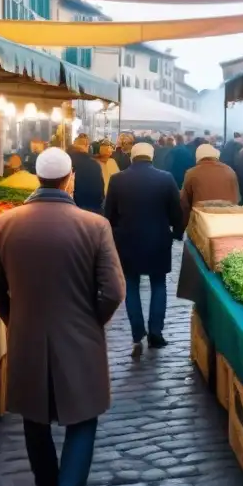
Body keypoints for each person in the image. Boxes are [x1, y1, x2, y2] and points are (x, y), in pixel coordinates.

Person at [0, 147, 125, 486]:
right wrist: (92, 320)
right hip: (80, 334)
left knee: (35, 417)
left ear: (36, 179)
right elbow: (114, 291)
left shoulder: (2, 225)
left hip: (26, 334)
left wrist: (17, 319)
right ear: (70, 181)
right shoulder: (94, 225)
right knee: (82, 419)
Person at [104, 142, 184, 358]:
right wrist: (176, 233)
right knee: (159, 284)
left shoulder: (117, 179)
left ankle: (137, 333)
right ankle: (156, 333)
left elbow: (108, 214)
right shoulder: (166, 178)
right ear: (151, 156)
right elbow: (177, 212)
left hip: (127, 241)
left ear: (132, 157)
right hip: (158, 239)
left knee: (131, 285)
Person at [181, 143, 240, 225]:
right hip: (227, 221)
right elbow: (236, 199)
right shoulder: (229, 171)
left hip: (202, 223)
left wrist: (183, 227)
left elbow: (184, 204)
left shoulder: (191, 173)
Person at [69, 134, 105, 213]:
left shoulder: (66, 161)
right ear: (87, 146)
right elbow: (100, 191)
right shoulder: (94, 165)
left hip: (71, 210)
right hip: (92, 212)